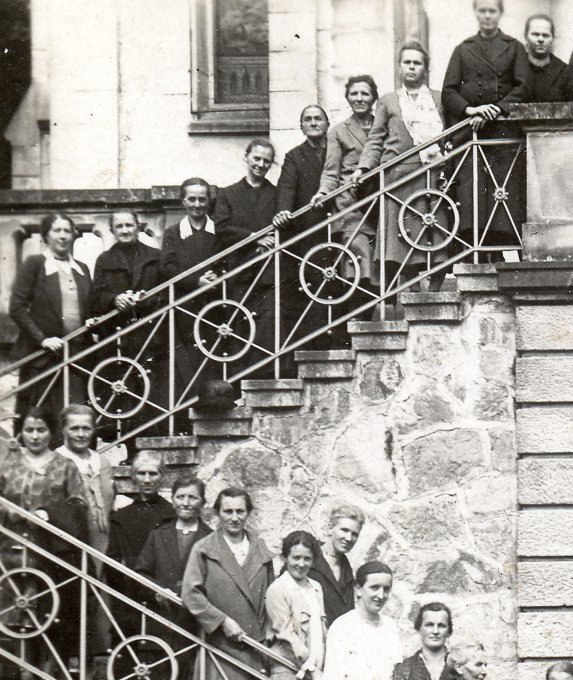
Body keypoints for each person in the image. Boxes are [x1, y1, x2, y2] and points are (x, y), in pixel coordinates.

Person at [353, 42, 447, 296]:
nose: (412, 67)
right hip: (397, 176)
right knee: (401, 236)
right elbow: (375, 139)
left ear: (425, 69)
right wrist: (364, 168)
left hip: (430, 172)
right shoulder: (388, 101)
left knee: (435, 229)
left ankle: (437, 284)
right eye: (407, 62)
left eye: (417, 63)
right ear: (399, 67)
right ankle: (411, 286)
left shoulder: (438, 99)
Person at [0, 405, 88, 670]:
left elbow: (78, 506)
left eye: (41, 430)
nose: (35, 436)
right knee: (13, 621)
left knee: (48, 621)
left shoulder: (65, 466)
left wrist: (50, 514)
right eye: (29, 430)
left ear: (52, 432)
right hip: (9, 555)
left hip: (48, 556)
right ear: (21, 433)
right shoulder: (8, 464)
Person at [442, 0, 529, 256]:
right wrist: (470, 110)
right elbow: (449, 90)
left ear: (500, 14)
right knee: (473, 195)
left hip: (502, 135)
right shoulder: (463, 49)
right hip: (473, 133)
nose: (488, 16)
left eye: (492, 11)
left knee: (502, 194)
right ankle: (476, 250)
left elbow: (524, 87)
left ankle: (500, 249)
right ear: (476, 13)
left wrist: (497, 109)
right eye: (483, 11)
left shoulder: (514, 48)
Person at [90, 210, 164, 453]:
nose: (124, 230)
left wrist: (146, 299)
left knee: (149, 390)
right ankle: (130, 451)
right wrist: (115, 299)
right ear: (111, 230)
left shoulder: (155, 256)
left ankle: (148, 452)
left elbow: (165, 293)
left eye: (129, 225)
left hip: (147, 334)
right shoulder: (104, 260)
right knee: (124, 392)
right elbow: (95, 297)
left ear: (137, 227)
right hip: (118, 337)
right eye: (119, 226)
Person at [182, 487, 274, 680]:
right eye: (227, 511)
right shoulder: (204, 549)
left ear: (248, 513)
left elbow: (270, 596)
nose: (234, 518)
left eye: (240, 511)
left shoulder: (261, 550)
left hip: (254, 647)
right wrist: (222, 621)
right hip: (220, 646)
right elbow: (191, 594)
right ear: (218, 513)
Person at [9, 213, 92, 429]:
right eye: (57, 230)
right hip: (43, 357)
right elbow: (17, 307)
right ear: (46, 235)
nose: (63, 236)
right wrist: (42, 339)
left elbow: (90, 306)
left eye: (67, 230)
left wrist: (92, 320)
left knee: (75, 416)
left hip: (75, 356)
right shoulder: (35, 264)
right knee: (41, 418)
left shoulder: (82, 269)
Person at [312, 75, 379, 308]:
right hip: (350, 201)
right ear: (347, 97)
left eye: (365, 94)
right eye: (354, 94)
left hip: (380, 198)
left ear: (374, 98)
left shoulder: (384, 126)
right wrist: (323, 192)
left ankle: (373, 314)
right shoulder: (338, 131)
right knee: (358, 252)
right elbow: (331, 170)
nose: (359, 99)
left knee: (379, 255)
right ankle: (360, 314)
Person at [214, 139, 278, 380]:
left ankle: (264, 375)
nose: (260, 164)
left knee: (268, 322)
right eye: (257, 159)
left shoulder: (275, 193)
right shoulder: (228, 194)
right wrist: (253, 238)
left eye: (266, 161)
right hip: (239, 270)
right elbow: (221, 228)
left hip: (268, 270)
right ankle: (239, 381)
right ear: (247, 158)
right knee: (238, 322)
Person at [136, 476, 212, 676]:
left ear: (203, 502)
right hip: (162, 620)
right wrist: (157, 591)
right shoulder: (158, 534)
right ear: (173, 500)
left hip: (194, 623)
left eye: (192, 498)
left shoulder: (211, 538)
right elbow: (140, 572)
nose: (185, 503)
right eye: (180, 497)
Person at [273, 105, 332, 354]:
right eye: (307, 119)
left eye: (318, 118)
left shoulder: (336, 148)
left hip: (338, 224)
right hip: (310, 230)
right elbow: (286, 188)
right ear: (301, 127)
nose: (313, 122)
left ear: (327, 124)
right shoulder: (294, 156)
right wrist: (284, 210)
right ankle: (317, 343)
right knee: (315, 284)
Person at [160, 178, 220, 414]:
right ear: (183, 201)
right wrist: (196, 282)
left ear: (209, 201)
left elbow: (228, 261)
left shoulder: (218, 230)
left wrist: (217, 278)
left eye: (202, 199)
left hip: (214, 306)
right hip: (186, 307)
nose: (197, 204)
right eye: (192, 199)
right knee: (187, 363)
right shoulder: (173, 233)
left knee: (213, 357)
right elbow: (166, 268)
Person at [105, 451, 174, 636]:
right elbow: (112, 562)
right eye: (142, 473)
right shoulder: (121, 518)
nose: (147, 479)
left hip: (163, 593)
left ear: (162, 477)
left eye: (153, 473)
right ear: (133, 477)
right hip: (130, 595)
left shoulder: (171, 515)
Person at [322, 561, 402, 680]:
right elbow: (332, 676)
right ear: (358, 589)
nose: (381, 595)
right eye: (374, 588)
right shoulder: (343, 627)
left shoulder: (390, 627)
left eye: (386, 589)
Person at [265, 530, 326, 680]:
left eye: (307, 559)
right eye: (296, 557)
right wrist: (312, 670)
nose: (301, 564)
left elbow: (320, 631)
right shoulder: (277, 589)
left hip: (314, 672)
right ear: (285, 557)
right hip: (288, 670)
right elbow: (287, 636)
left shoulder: (316, 587)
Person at [56, 403, 115, 554]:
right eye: (74, 428)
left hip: (103, 541)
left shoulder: (103, 463)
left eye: (86, 428)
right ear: (63, 430)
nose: (81, 434)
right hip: (70, 545)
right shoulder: (55, 462)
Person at [308, 504, 364, 628]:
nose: (349, 538)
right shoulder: (307, 560)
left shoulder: (347, 572)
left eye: (355, 534)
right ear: (330, 528)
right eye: (344, 530)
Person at [392, 602, 452, 680]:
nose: (435, 631)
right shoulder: (403, 669)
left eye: (441, 626)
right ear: (419, 628)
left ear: (448, 631)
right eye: (429, 625)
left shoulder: (460, 666)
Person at [524, 14, 573, 103]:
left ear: (552, 38)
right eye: (535, 34)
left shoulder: (563, 71)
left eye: (546, 35)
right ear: (526, 36)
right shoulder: (514, 67)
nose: (541, 39)